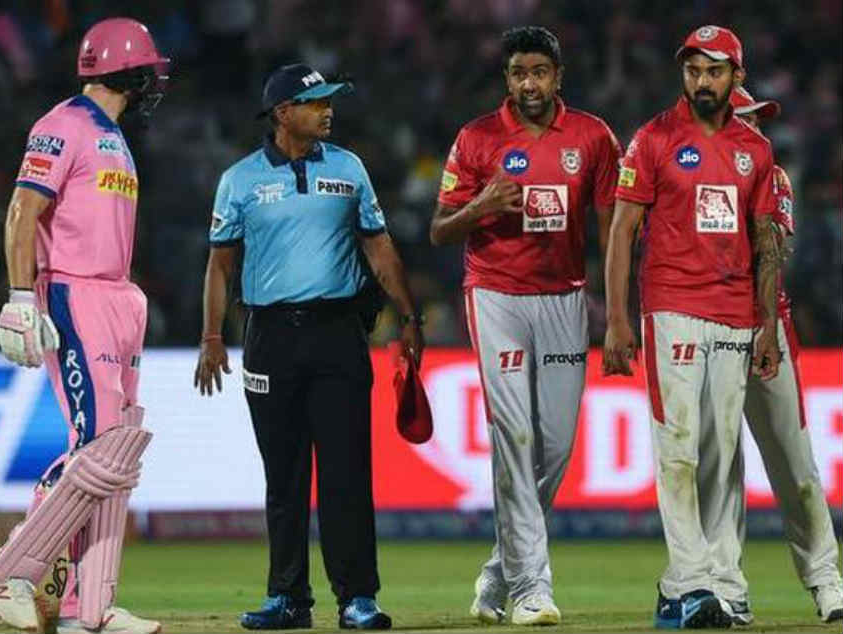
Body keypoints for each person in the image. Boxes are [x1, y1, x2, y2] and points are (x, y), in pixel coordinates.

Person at [194, 63, 423, 631]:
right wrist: (212, 336)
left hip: (338, 333)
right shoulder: (240, 180)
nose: (328, 110)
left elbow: (379, 249)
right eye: (316, 102)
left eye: (329, 101)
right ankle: (288, 598)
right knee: (285, 475)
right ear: (282, 113)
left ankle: (357, 598)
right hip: (269, 337)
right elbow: (220, 265)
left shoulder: (349, 168)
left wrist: (409, 317)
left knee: (347, 473)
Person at [0, 17, 168, 634]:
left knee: (118, 448)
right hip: (74, 293)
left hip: (118, 296)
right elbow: (23, 208)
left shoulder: (113, 136)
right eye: (148, 71)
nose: (154, 82)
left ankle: (89, 609)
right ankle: (11, 572)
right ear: (128, 71)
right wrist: (20, 297)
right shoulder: (62, 124)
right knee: (96, 448)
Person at [430, 26, 621, 626]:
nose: (529, 83)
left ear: (557, 76)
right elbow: (439, 229)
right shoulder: (478, 137)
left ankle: (498, 571)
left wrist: (617, 314)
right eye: (518, 73)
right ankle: (532, 589)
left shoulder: (592, 136)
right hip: (496, 297)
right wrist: (481, 207)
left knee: (556, 447)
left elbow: (615, 229)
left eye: (539, 72)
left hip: (565, 299)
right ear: (506, 79)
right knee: (513, 436)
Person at [602, 25, 781, 629]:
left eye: (714, 71)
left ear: (737, 76)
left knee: (722, 453)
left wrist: (766, 324)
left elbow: (764, 241)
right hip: (671, 306)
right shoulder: (653, 138)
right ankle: (695, 581)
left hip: (734, 312)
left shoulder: (755, 150)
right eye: (693, 70)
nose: (702, 81)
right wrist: (618, 319)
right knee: (676, 446)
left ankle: (722, 585)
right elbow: (623, 229)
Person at [701, 86, 843, 625]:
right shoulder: (688, 174)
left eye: (759, 121)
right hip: (706, 325)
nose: (756, 130)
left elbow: (773, 249)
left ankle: (825, 579)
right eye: (746, 120)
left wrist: (763, 324)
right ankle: (725, 588)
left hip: (766, 327)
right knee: (718, 465)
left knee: (794, 460)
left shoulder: (774, 177)